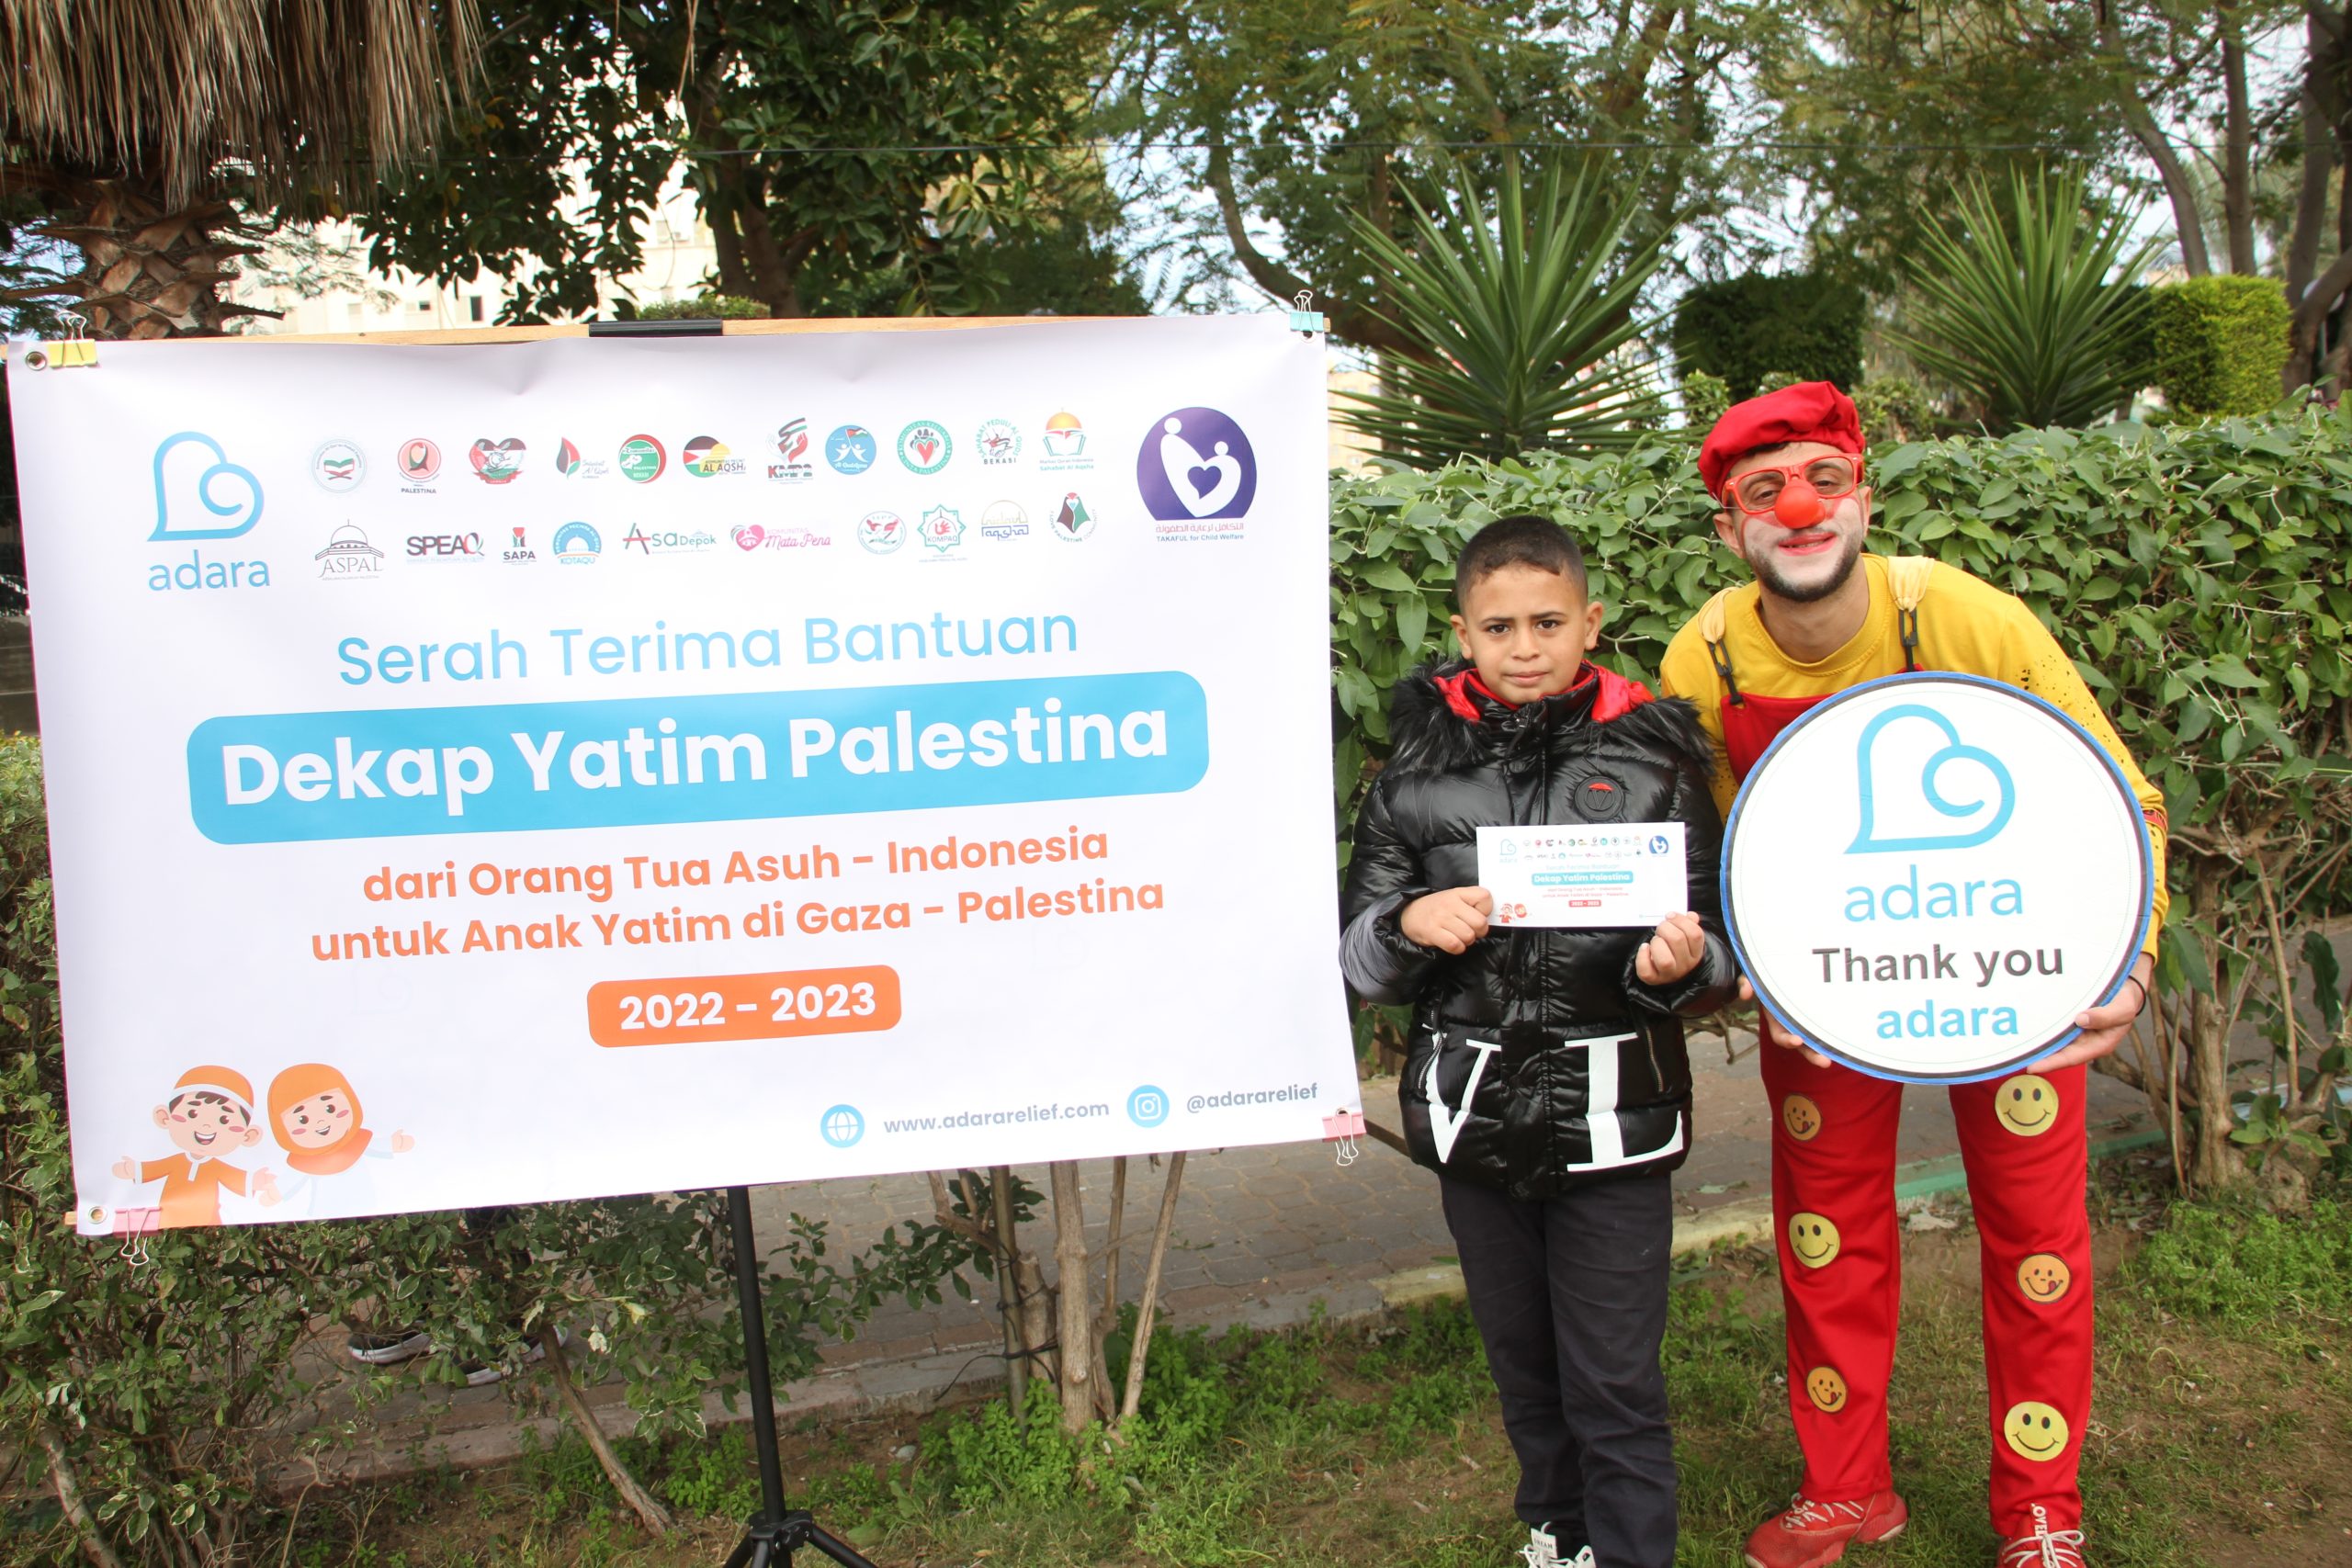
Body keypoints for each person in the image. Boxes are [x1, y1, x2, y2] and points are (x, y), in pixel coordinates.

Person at [1656, 382, 2167, 1568]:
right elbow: (1710, 856)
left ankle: (2040, 1509)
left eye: (1823, 480)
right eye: (1764, 492)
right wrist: (1749, 970)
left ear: (1865, 501)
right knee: (1824, 1232)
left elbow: (2122, 796)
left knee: (2037, 1235)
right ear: (1730, 529)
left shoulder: (1965, 615)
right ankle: (1846, 1487)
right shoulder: (1707, 654)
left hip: (2011, 965)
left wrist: (2132, 964)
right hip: (1827, 988)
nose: (1798, 509)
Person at [1340, 514, 1739, 1568]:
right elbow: (1359, 958)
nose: (1524, 648)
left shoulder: (1658, 763)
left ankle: (1632, 1551)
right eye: (1499, 627)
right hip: (1475, 1124)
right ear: (1462, 634)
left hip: (1616, 1122)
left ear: (1589, 623)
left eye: (1548, 623)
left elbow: (1720, 949)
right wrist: (1407, 926)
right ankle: (1558, 1535)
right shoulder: (1415, 777)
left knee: (1615, 1381)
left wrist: (1682, 966)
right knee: (1524, 1366)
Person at [111, 1066, 280, 1228]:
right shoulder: (176, 1161)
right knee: (135, 1221)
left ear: (248, 1135)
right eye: (193, 1113)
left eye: (224, 1120)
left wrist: (255, 1182)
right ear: (164, 1118)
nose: (206, 1126)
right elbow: (154, 1168)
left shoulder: (216, 1167)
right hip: (164, 1216)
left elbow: (234, 1178)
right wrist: (134, 1170)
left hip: (207, 1219)